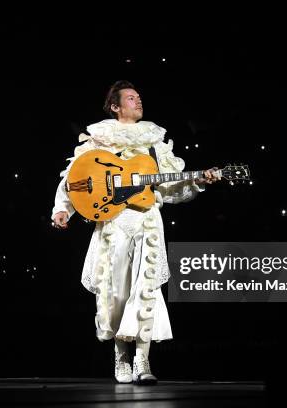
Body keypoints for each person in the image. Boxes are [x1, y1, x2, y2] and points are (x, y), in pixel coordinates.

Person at [52, 80, 220, 384]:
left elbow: (168, 188)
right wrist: (63, 209)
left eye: (139, 97)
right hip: (114, 222)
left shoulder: (154, 142)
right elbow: (77, 178)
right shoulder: (101, 138)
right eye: (131, 98)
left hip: (147, 221)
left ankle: (143, 361)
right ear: (115, 106)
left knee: (146, 287)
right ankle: (121, 359)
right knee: (115, 290)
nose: (137, 101)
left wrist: (196, 181)